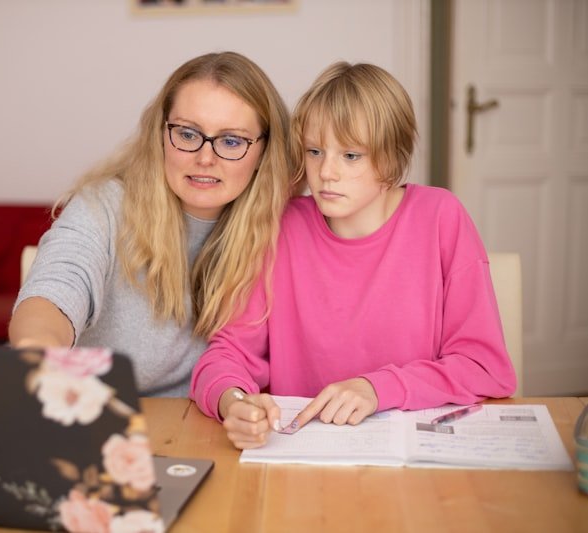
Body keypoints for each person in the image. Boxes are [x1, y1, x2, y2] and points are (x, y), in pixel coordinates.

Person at [190, 61, 517, 448]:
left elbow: (484, 367)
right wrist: (233, 402)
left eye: (351, 155)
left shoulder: (440, 217)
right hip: (300, 456)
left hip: (412, 458)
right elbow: (227, 354)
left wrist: (377, 389)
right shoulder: (280, 226)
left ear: (391, 157)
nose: (326, 172)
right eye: (315, 151)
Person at [9, 51, 293, 397]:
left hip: (198, 420)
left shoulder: (283, 229)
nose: (205, 158)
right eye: (187, 134)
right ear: (161, 133)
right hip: (89, 409)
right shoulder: (105, 205)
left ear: (264, 150)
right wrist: (38, 349)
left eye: (231, 141)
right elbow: (56, 287)